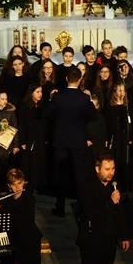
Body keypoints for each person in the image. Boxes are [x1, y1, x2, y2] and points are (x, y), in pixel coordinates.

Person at [75, 152, 130, 264]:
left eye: (113, 168)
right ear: (97, 169)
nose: (111, 172)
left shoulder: (115, 186)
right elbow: (90, 212)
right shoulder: (87, 186)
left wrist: (124, 235)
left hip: (109, 240)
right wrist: (110, 202)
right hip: (91, 241)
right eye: (107, 169)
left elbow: (120, 212)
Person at [45, 65, 97, 217]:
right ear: (80, 79)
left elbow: (46, 114)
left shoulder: (58, 97)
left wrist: (50, 99)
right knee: (79, 175)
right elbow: (94, 116)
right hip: (78, 142)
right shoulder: (84, 98)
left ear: (67, 79)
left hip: (60, 142)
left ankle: (60, 208)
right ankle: (81, 208)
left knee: (61, 175)